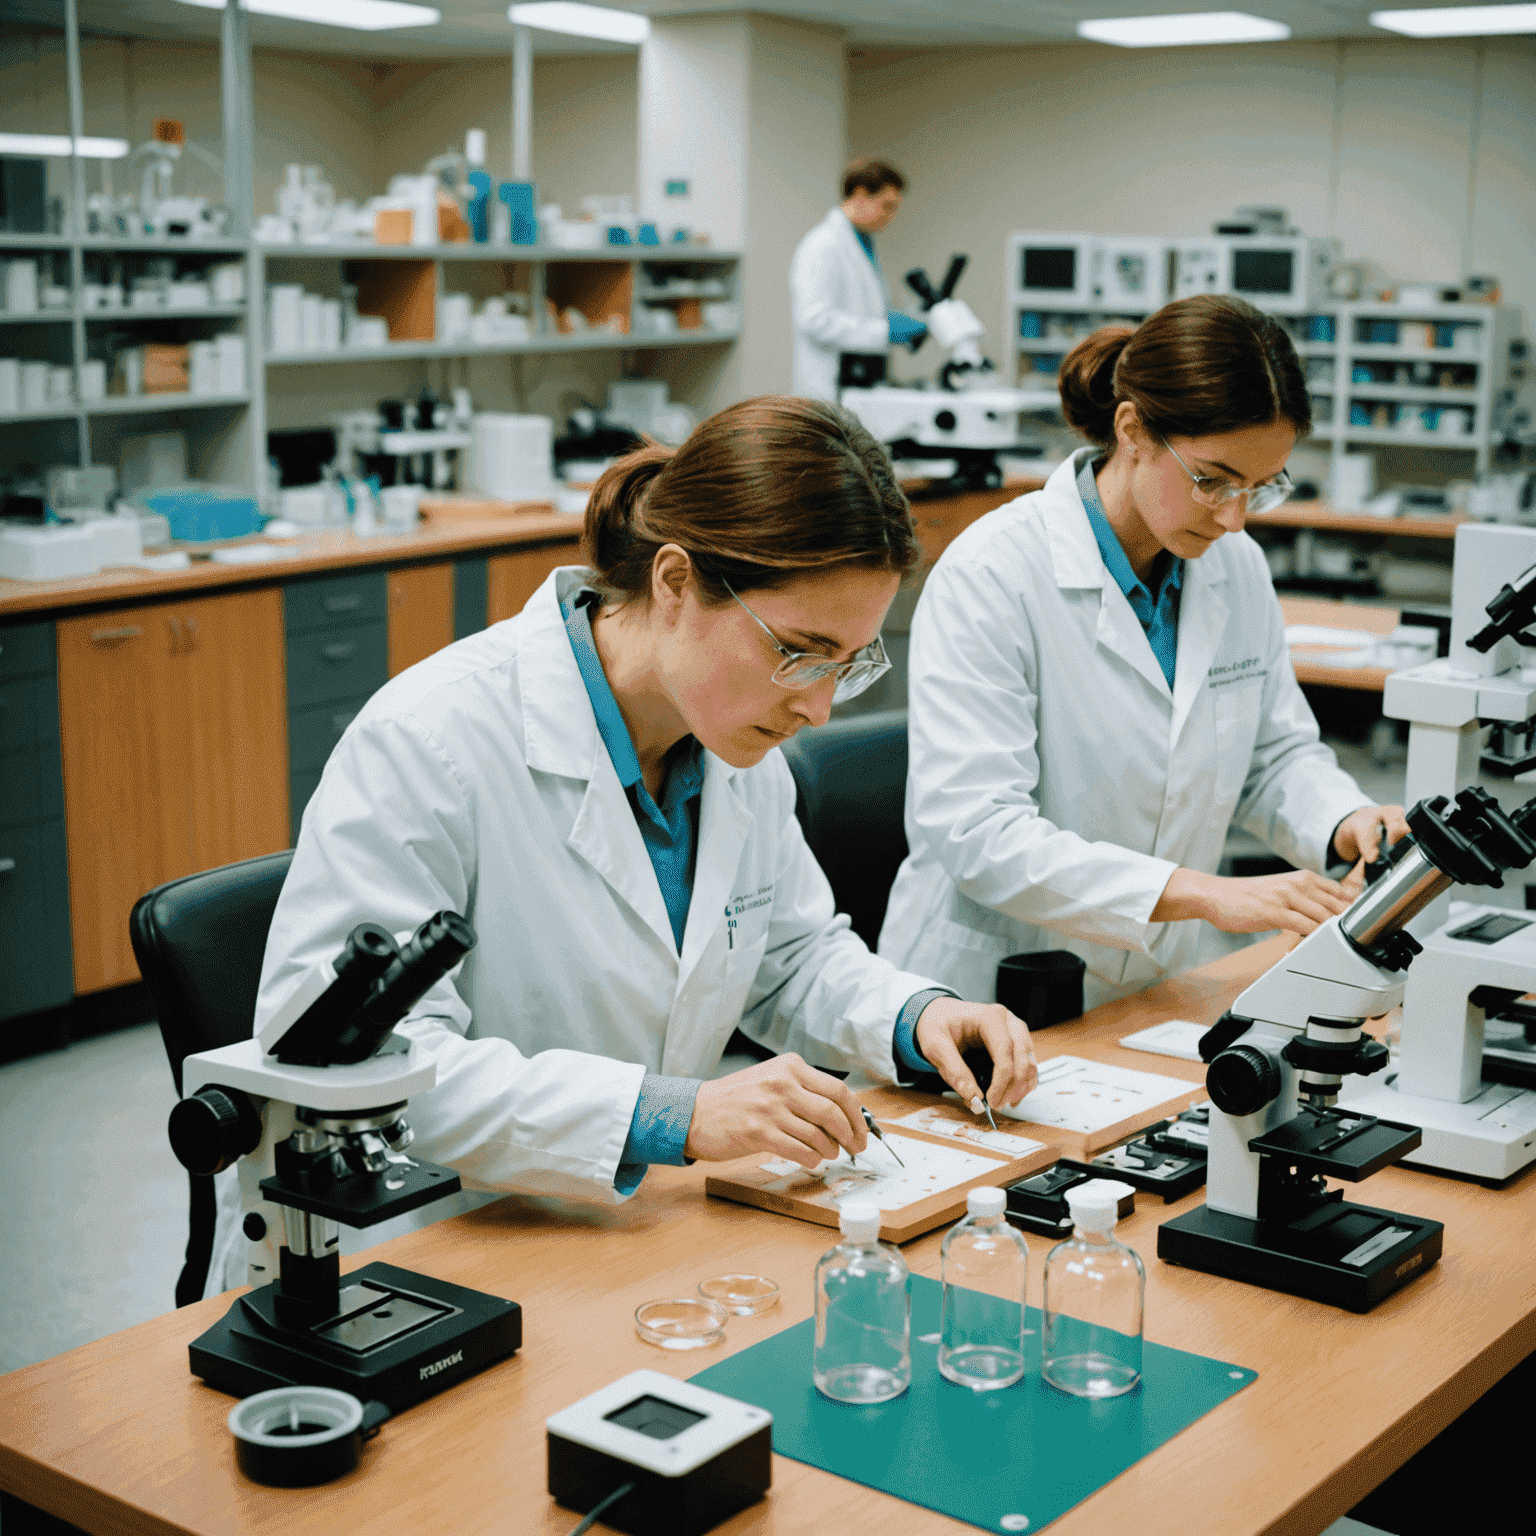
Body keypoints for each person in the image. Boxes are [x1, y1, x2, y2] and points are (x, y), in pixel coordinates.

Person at [208, 397, 1038, 1294]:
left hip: (628, 1239)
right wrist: (668, 1116)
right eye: (801, 653)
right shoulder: (430, 740)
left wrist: (914, 1016)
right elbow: (363, 1075)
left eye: (849, 663)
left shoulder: (734, 744)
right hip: (420, 1258)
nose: (820, 707)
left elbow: (790, 956)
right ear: (677, 584)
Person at [879, 295, 1407, 1012]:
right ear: (1132, 430)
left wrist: (1344, 822)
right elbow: (979, 832)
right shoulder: (996, 571)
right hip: (993, 988)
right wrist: (1207, 895)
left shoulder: (1236, 567)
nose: (1234, 516)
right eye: (1212, 478)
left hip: (1153, 986)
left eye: (1260, 486)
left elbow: (1272, 756)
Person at [789, 157, 927, 402]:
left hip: (860, 381)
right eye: (887, 206)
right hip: (829, 385)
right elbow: (814, 320)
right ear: (861, 195)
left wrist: (893, 320)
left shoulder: (861, 244)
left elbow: (863, 308)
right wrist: (885, 331)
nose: (891, 217)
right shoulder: (822, 245)